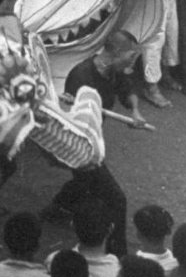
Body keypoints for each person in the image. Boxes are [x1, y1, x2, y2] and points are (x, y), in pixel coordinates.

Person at [41, 31, 147, 256]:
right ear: (115, 53)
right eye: (129, 57)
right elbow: (70, 119)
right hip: (80, 145)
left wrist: (135, 111)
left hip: (94, 136)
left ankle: (57, 208)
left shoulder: (114, 71)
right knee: (116, 199)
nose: (132, 64)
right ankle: (118, 253)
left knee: (85, 184)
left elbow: (127, 91)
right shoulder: (81, 76)